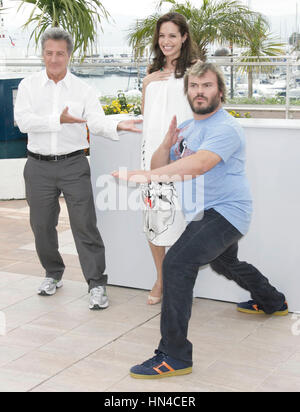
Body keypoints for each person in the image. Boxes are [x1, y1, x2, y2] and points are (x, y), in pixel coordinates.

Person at [112, 61, 288, 379]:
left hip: (227, 212)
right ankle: (272, 300)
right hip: (206, 212)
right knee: (224, 264)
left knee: (177, 264)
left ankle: (174, 356)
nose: (199, 91)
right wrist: (166, 144)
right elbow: (162, 161)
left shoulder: (226, 128)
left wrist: (145, 176)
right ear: (188, 92)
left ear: (219, 91)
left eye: (206, 85)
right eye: (194, 86)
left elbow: (199, 165)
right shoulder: (190, 129)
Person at [14, 27, 142, 311]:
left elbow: (95, 122)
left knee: (85, 225)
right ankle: (53, 274)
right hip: (38, 165)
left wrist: (117, 124)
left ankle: (96, 284)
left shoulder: (84, 89)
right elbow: (23, 122)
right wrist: (56, 120)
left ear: (69, 55)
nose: (54, 59)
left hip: (74, 164)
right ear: (43, 54)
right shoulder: (28, 86)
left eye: (60, 53)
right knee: (41, 226)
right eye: (49, 53)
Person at [141, 12, 198, 305]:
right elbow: (146, 115)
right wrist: (147, 82)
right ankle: (161, 279)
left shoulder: (196, 71)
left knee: (184, 220)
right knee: (154, 218)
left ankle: (180, 282)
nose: (166, 41)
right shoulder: (151, 72)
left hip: (183, 156)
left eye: (172, 35)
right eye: (162, 36)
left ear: (184, 37)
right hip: (151, 155)